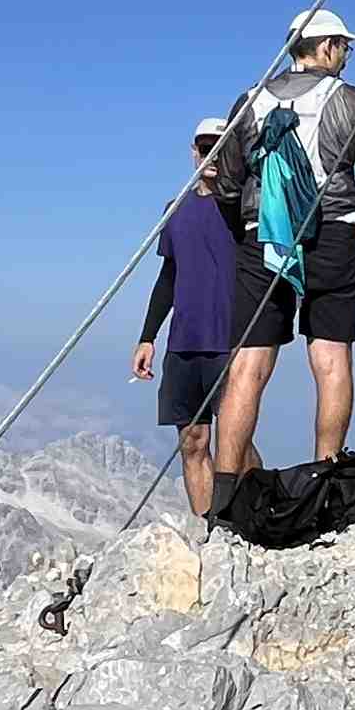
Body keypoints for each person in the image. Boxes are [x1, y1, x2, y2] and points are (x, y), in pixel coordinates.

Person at [212, 7, 355, 478]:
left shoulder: (249, 101)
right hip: (335, 232)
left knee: (248, 367)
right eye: (344, 47)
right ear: (325, 46)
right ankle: (326, 479)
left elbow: (229, 184)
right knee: (331, 358)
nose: (346, 56)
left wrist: (242, 240)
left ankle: (224, 496)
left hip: (265, 237)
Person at [127, 118, 239, 522]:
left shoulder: (244, 205)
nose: (211, 153)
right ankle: (209, 528)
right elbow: (169, 275)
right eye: (204, 145)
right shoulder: (174, 210)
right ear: (194, 152)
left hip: (231, 338)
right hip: (184, 340)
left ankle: (259, 512)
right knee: (192, 440)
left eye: (219, 145)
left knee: (235, 439)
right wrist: (147, 337)